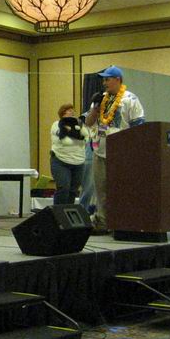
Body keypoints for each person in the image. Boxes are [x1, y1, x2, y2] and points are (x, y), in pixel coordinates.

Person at [85, 66, 145, 233]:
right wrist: (95, 108)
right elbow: (88, 123)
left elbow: (138, 126)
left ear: (118, 79)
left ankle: (122, 222)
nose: (104, 83)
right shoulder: (100, 99)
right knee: (101, 189)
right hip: (100, 151)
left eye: (107, 79)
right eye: (103, 80)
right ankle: (103, 223)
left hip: (122, 153)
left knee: (121, 189)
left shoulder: (130, 99)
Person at [50, 103, 88, 205]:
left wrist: (73, 132)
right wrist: (77, 135)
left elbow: (86, 137)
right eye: (69, 110)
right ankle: (58, 212)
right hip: (61, 161)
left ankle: (68, 211)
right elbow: (63, 137)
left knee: (73, 191)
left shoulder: (80, 125)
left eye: (73, 110)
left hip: (78, 162)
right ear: (62, 113)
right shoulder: (56, 124)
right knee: (63, 188)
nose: (72, 112)